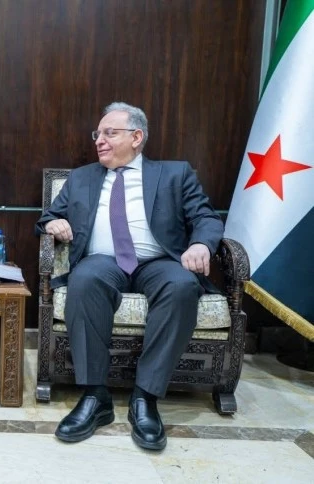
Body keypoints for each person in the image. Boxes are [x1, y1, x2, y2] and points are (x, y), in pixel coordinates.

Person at [35, 102, 223, 451]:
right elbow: (47, 217)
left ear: (136, 137)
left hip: (158, 262)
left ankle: (145, 398)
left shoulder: (175, 174)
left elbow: (206, 217)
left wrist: (201, 244)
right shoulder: (81, 178)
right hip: (103, 262)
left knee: (183, 285)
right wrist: (53, 222)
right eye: (98, 134)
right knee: (84, 280)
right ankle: (95, 396)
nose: (99, 140)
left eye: (110, 133)